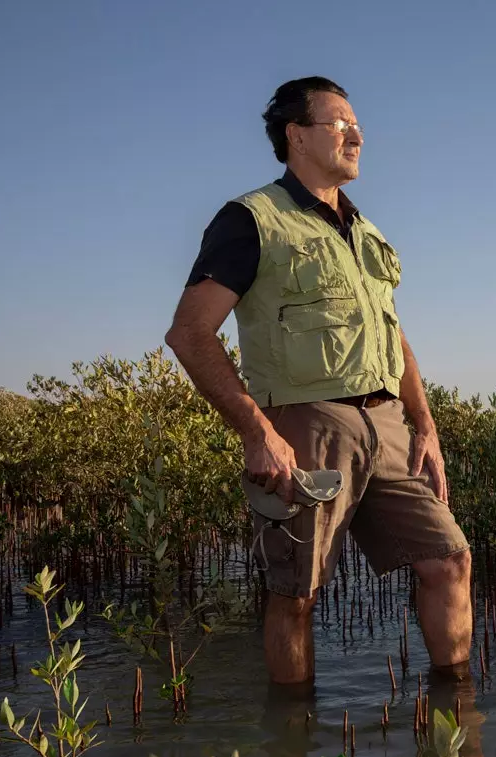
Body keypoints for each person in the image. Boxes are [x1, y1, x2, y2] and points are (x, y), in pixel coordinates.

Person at [164, 76, 472, 686]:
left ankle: (455, 731)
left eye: (357, 125)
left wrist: (426, 427)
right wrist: (258, 432)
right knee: (296, 593)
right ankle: (292, 750)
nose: (356, 135)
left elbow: (394, 336)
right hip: (306, 424)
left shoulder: (367, 232)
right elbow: (190, 333)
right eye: (339, 123)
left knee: (449, 560)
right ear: (295, 135)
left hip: (386, 424)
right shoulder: (251, 219)